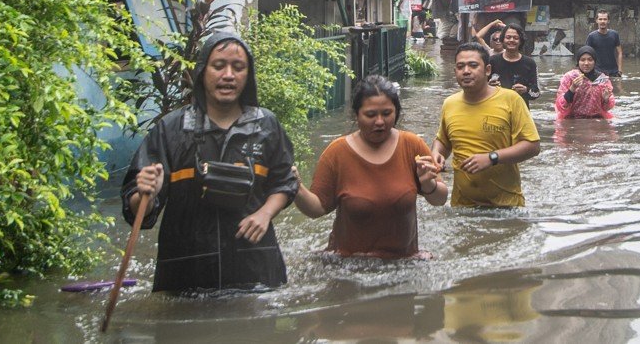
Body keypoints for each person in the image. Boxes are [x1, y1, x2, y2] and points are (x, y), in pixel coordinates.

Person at [121, 31, 298, 294]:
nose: (228, 75)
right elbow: (137, 211)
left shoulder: (266, 125)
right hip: (185, 276)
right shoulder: (171, 129)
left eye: (238, 68)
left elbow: (285, 182)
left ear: (248, 76)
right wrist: (147, 192)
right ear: (203, 72)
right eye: (218, 66)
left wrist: (265, 213)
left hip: (255, 270)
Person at [293, 76, 447, 258]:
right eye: (371, 115)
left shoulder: (412, 145)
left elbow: (440, 200)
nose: (380, 121)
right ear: (356, 115)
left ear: (396, 112)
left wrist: (428, 184)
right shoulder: (337, 152)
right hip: (348, 265)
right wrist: (295, 187)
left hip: (403, 263)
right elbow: (317, 208)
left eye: (387, 113)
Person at [431, 42, 541, 207]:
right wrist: (436, 153)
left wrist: (492, 158)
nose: (466, 71)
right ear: (455, 72)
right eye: (460, 67)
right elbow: (443, 141)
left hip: (505, 207)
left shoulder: (511, 99)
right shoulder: (450, 103)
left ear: (488, 70)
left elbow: (532, 145)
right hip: (462, 207)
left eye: (473, 65)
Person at [555, 45, 615, 120]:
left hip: (596, 118)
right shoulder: (570, 77)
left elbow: (607, 108)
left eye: (590, 60)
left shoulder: (602, 79)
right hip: (572, 118)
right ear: (578, 62)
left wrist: (606, 99)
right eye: (582, 60)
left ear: (594, 61)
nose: (586, 63)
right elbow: (561, 106)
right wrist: (572, 89)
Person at [489, 23, 540, 103]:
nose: (512, 40)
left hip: (520, 110)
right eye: (508, 37)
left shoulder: (530, 63)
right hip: (497, 109)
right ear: (503, 39)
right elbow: (480, 89)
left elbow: (536, 93)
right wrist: (489, 86)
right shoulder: (492, 61)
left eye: (516, 38)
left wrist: (525, 90)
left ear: (520, 41)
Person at [585, 11, 624, 91]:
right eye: (600, 19)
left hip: (614, 72)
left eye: (605, 19)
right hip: (598, 72)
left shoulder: (614, 34)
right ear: (597, 20)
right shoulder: (591, 36)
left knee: (618, 93)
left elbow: (620, 52)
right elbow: (586, 54)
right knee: (598, 94)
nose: (602, 21)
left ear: (608, 21)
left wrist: (620, 70)